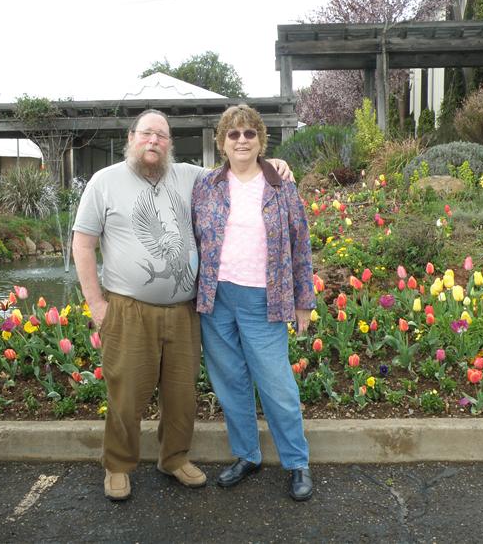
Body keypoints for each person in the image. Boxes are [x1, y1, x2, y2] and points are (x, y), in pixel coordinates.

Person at [72, 109, 292, 501]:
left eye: (161, 135)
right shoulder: (104, 183)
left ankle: (173, 458)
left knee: (181, 395)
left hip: (185, 310)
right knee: (126, 394)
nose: (153, 141)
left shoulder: (192, 177)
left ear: (170, 143)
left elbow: (239, 168)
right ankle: (119, 466)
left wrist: (272, 164)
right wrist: (96, 305)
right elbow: (83, 244)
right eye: (146, 134)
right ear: (132, 137)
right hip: (128, 309)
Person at [191, 104, 316, 501]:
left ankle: (297, 463)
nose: (241, 140)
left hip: (265, 300)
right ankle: (247, 455)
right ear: (222, 142)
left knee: (277, 384)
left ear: (261, 141)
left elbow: (301, 245)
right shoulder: (206, 186)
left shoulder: (280, 185)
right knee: (230, 383)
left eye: (249, 134)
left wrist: (303, 301)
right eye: (234, 134)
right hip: (217, 299)